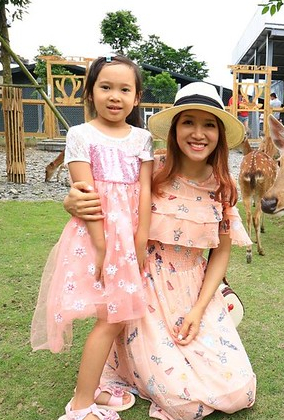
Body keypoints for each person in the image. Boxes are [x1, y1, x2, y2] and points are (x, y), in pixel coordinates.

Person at [63, 81, 257, 420]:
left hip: (196, 291)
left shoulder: (224, 186)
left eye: (209, 124)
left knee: (239, 390)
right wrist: (73, 201)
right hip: (146, 289)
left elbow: (220, 254)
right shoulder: (150, 172)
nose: (198, 133)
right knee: (184, 400)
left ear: (219, 134)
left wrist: (199, 309)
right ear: (175, 129)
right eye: (188, 122)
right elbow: (107, 197)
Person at [31, 55, 154, 420]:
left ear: (136, 97)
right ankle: (81, 404)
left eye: (124, 89)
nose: (114, 96)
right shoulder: (80, 135)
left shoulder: (143, 138)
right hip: (97, 234)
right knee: (112, 316)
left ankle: (95, 387)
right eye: (105, 87)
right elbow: (84, 192)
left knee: (116, 314)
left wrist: (141, 238)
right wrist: (102, 247)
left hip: (131, 236)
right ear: (90, 92)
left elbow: (145, 191)